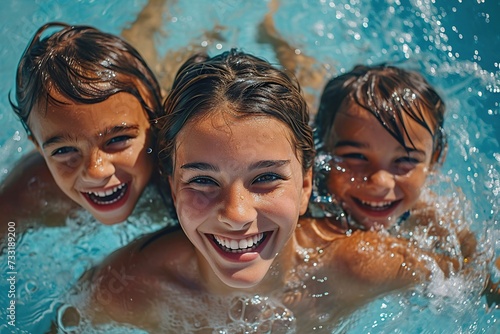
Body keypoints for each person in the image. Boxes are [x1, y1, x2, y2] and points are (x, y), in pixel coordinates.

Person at [80, 50, 435, 333]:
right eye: (203, 181)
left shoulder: (361, 265)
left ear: (307, 184)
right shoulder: (128, 285)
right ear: (172, 188)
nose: (237, 214)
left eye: (265, 178)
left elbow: (466, 280)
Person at [0, 22, 170, 231]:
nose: (95, 172)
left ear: (154, 122)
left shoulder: (180, 166)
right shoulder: (27, 194)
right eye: (63, 150)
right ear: (38, 148)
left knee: (150, 38)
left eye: (117, 139)